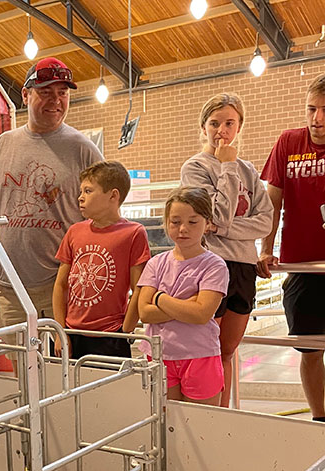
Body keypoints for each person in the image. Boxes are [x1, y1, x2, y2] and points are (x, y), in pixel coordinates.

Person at [0, 57, 103, 365]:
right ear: (26, 95)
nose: (56, 100)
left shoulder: (84, 150)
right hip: (11, 286)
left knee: (65, 371)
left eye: (62, 93)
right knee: (22, 372)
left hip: (64, 285)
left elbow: (103, 218)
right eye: (46, 92)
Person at [180, 93, 273, 406]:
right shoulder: (195, 167)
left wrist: (220, 229)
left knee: (228, 351)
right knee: (206, 350)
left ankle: (225, 415)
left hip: (244, 268)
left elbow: (265, 221)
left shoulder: (248, 170)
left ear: (239, 127)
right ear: (203, 127)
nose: (222, 130)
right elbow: (215, 215)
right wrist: (228, 165)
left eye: (229, 123)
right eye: (215, 123)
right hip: (211, 266)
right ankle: (207, 414)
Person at [259, 74, 325, 421]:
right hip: (302, 266)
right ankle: (320, 418)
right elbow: (273, 200)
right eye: (312, 109)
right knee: (310, 348)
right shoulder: (289, 142)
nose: (318, 119)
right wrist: (266, 248)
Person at [138, 187, 229, 405]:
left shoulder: (214, 265)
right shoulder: (156, 263)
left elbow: (201, 314)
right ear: (166, 222)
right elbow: (144, 313)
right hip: (159, 355)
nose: (183, 229)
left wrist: (160, 298)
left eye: (193, 221)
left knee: (201, 425)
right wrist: (187, 306)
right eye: (175, 221)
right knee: (165, 425)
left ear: (207, 223)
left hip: (200, 355)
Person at [52, 161, 150, 359]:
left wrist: (126, 330)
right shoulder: (74, 231)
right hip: (72, 332)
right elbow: (61, 285)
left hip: (109, 334)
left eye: (88, 191)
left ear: (113, 195)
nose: (80, 197)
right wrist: (60, 331)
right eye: (81, 191)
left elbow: (139, 287)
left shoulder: (133, 233)